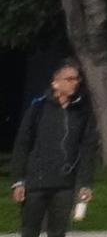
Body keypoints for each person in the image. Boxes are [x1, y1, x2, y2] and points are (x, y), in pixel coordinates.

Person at [10, 59, 96, 237]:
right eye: (69, 79)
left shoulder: (81, 111)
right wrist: (19, 180)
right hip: (36, 183)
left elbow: (88, 149)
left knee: (58, 232)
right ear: (55, 83)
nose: (75, 82)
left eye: (77, 79)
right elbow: (22, 144)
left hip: (64, 185)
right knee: (30, 231)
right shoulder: (39, 107)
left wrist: (85, 184)